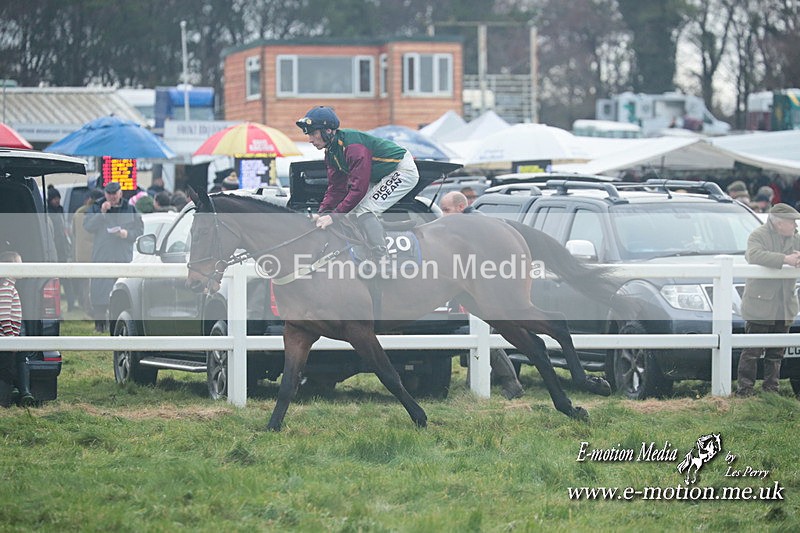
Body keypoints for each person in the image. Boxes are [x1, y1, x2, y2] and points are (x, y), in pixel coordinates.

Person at [296, 106, 420, 261]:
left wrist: (333, 216)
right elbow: (336, 189)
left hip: (402, 170)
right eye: (308, 134)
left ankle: (382, 258)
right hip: (381, 173)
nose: (310, 140)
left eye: (313, 133)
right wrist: (322, 213)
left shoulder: (353, 147)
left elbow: (358, 189)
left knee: (364, 210)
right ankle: (365, 252)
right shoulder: (332, 152)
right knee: (351, 213)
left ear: (328, 131)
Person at [439, 191, 524, 399]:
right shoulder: (472, 223)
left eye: (446, 210)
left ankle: (510, 383)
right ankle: (477, 385)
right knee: (480, 336)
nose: (443, 216)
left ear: (461, 207)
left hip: (492, 291)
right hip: (486, 289)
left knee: (484, 336)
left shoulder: (474, 225)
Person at [737, 203, 800, 397]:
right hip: (760, 304)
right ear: (779, 223)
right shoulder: (758, 235)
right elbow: (753, 255)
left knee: (777, 352)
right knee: (752, 351)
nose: (795, 225)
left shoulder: (796, 238)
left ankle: (771, 391)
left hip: (784, 304)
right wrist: (785, 259)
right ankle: (745, 391)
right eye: (792, 222)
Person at [83, 181, 143, 332]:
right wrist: (101, 213)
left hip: (123, 258)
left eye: (115, 194)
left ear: (120, 193)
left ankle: (118, 325)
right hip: (102, 257)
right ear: (105, 194)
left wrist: (127, 234)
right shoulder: (97, 207)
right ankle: (99, 326)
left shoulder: (130, 209)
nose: (112, 197)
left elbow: (139, 230)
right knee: (100, 293)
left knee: (121, 293)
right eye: (109, 195)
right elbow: (87, 226)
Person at [0, 251, 34, 407]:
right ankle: (4, 401)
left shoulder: (9, 287)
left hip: (8, 337)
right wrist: (11, 338)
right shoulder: (7, 288)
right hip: (7, 338)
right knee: (6, 371)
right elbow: (3, 316)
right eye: (20, 264)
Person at [72, 189, 104, 313]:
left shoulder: (78, 212)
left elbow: (73, 232)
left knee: (84, 282)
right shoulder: (96, 213)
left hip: (80, 253)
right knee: (94, 283)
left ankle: (84, 305)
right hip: (94, 252)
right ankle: (90, 308)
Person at [46, 185, 75, 310]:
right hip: (54, 248)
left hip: (62, 249)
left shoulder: (60, 210)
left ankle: (71, 303)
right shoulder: (47, 212)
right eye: (55, 199)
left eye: (58, 198)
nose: (57, 201)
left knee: (66, 279)